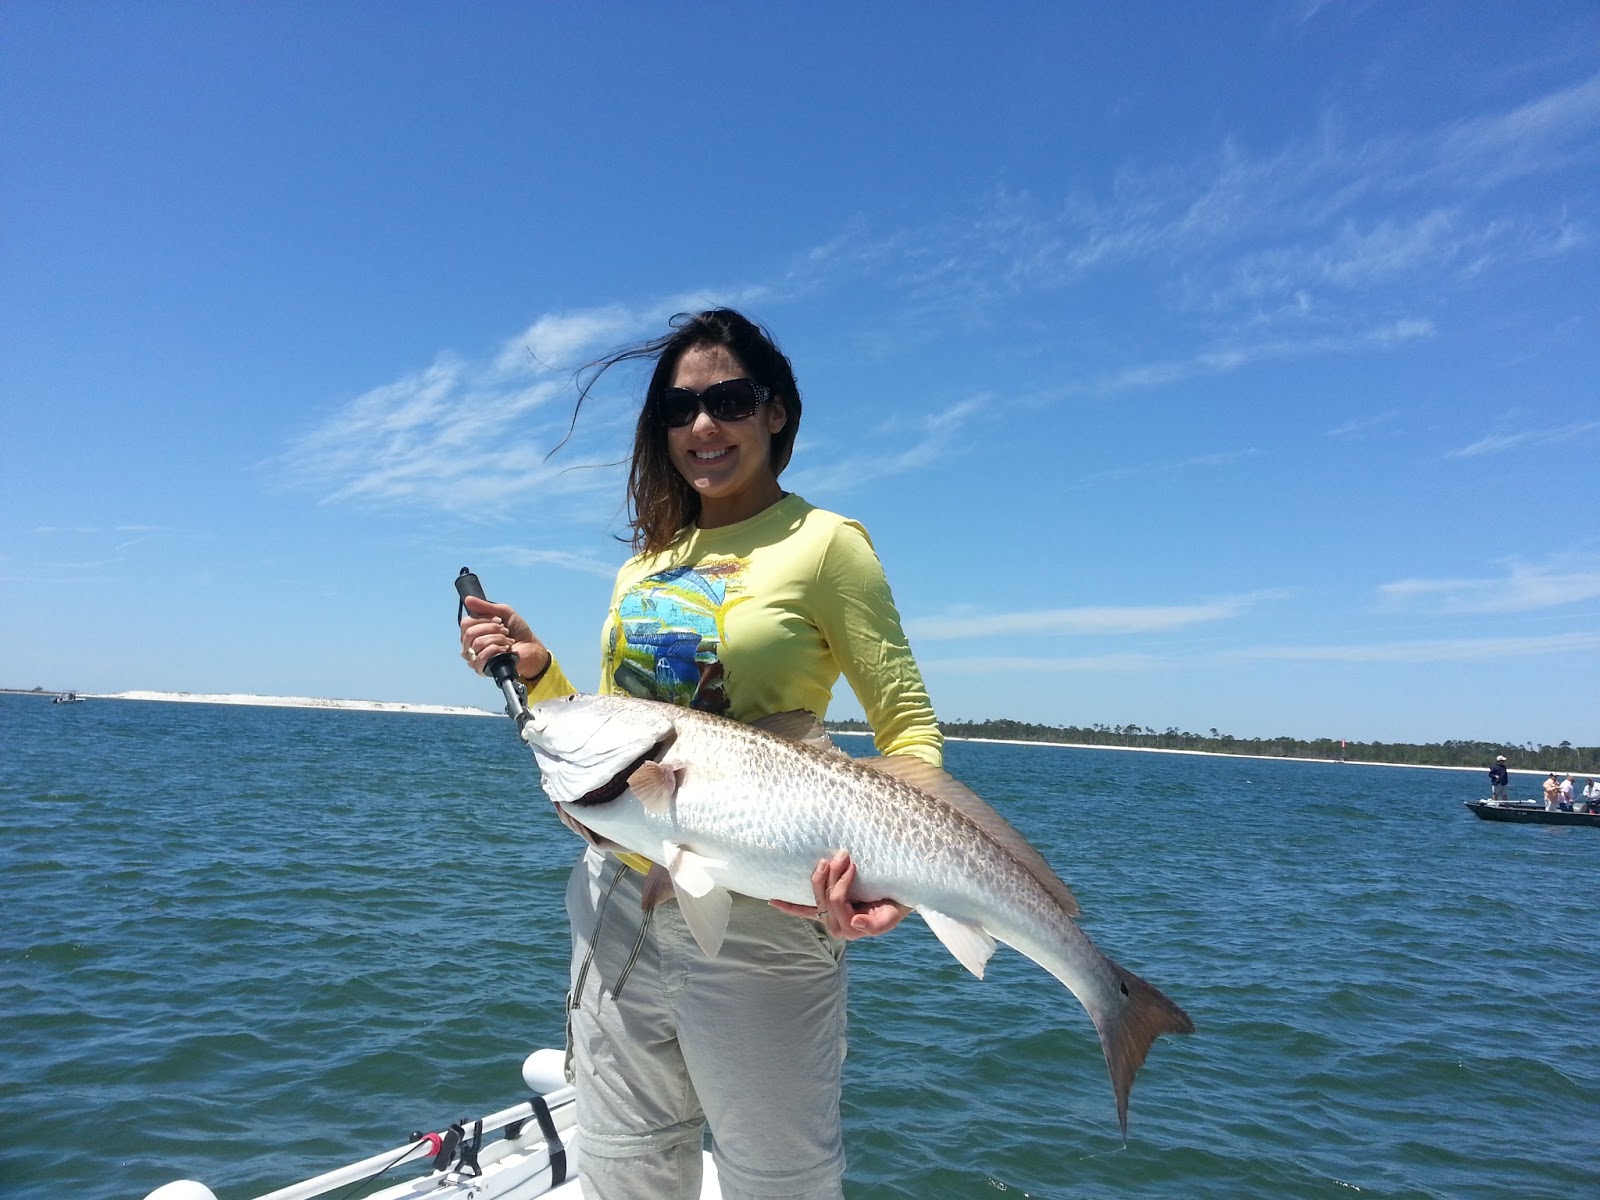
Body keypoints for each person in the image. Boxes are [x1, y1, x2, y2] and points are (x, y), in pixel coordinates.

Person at [458, 309, 941, 1200]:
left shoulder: (827, 546)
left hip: (765, 927)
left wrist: (897, 887)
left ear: (777, 413)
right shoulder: (646, 566)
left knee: (779, 1184)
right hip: (617, 913)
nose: (703, 427)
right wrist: (540, 669)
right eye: (679, 411)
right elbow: (624, 745)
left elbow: (908, 733)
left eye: (729, 400)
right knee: (628, 1172)